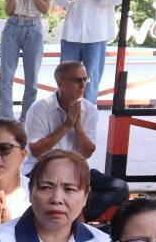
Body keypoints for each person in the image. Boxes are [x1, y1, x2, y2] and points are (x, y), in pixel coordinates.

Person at [22, 60, 130, 222]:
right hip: (42, 169)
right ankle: (73, 213)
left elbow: (86, 153)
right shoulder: (40, 108)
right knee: (45, 190)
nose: (82, 85)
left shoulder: (89, 109)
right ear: (60, 83)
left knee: (119, 188)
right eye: (76, 80)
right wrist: (65, 126)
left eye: (85, 80)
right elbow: (37, 151)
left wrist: (78, 128)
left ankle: (75, 215)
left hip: (76, 170)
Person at [0, 0, 56, 120]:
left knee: (31, 77)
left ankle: (26, 118)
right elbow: (7, 11)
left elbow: (45, 9)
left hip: (34, 26)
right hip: (13, 25)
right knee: (6, 75)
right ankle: (6, 118)